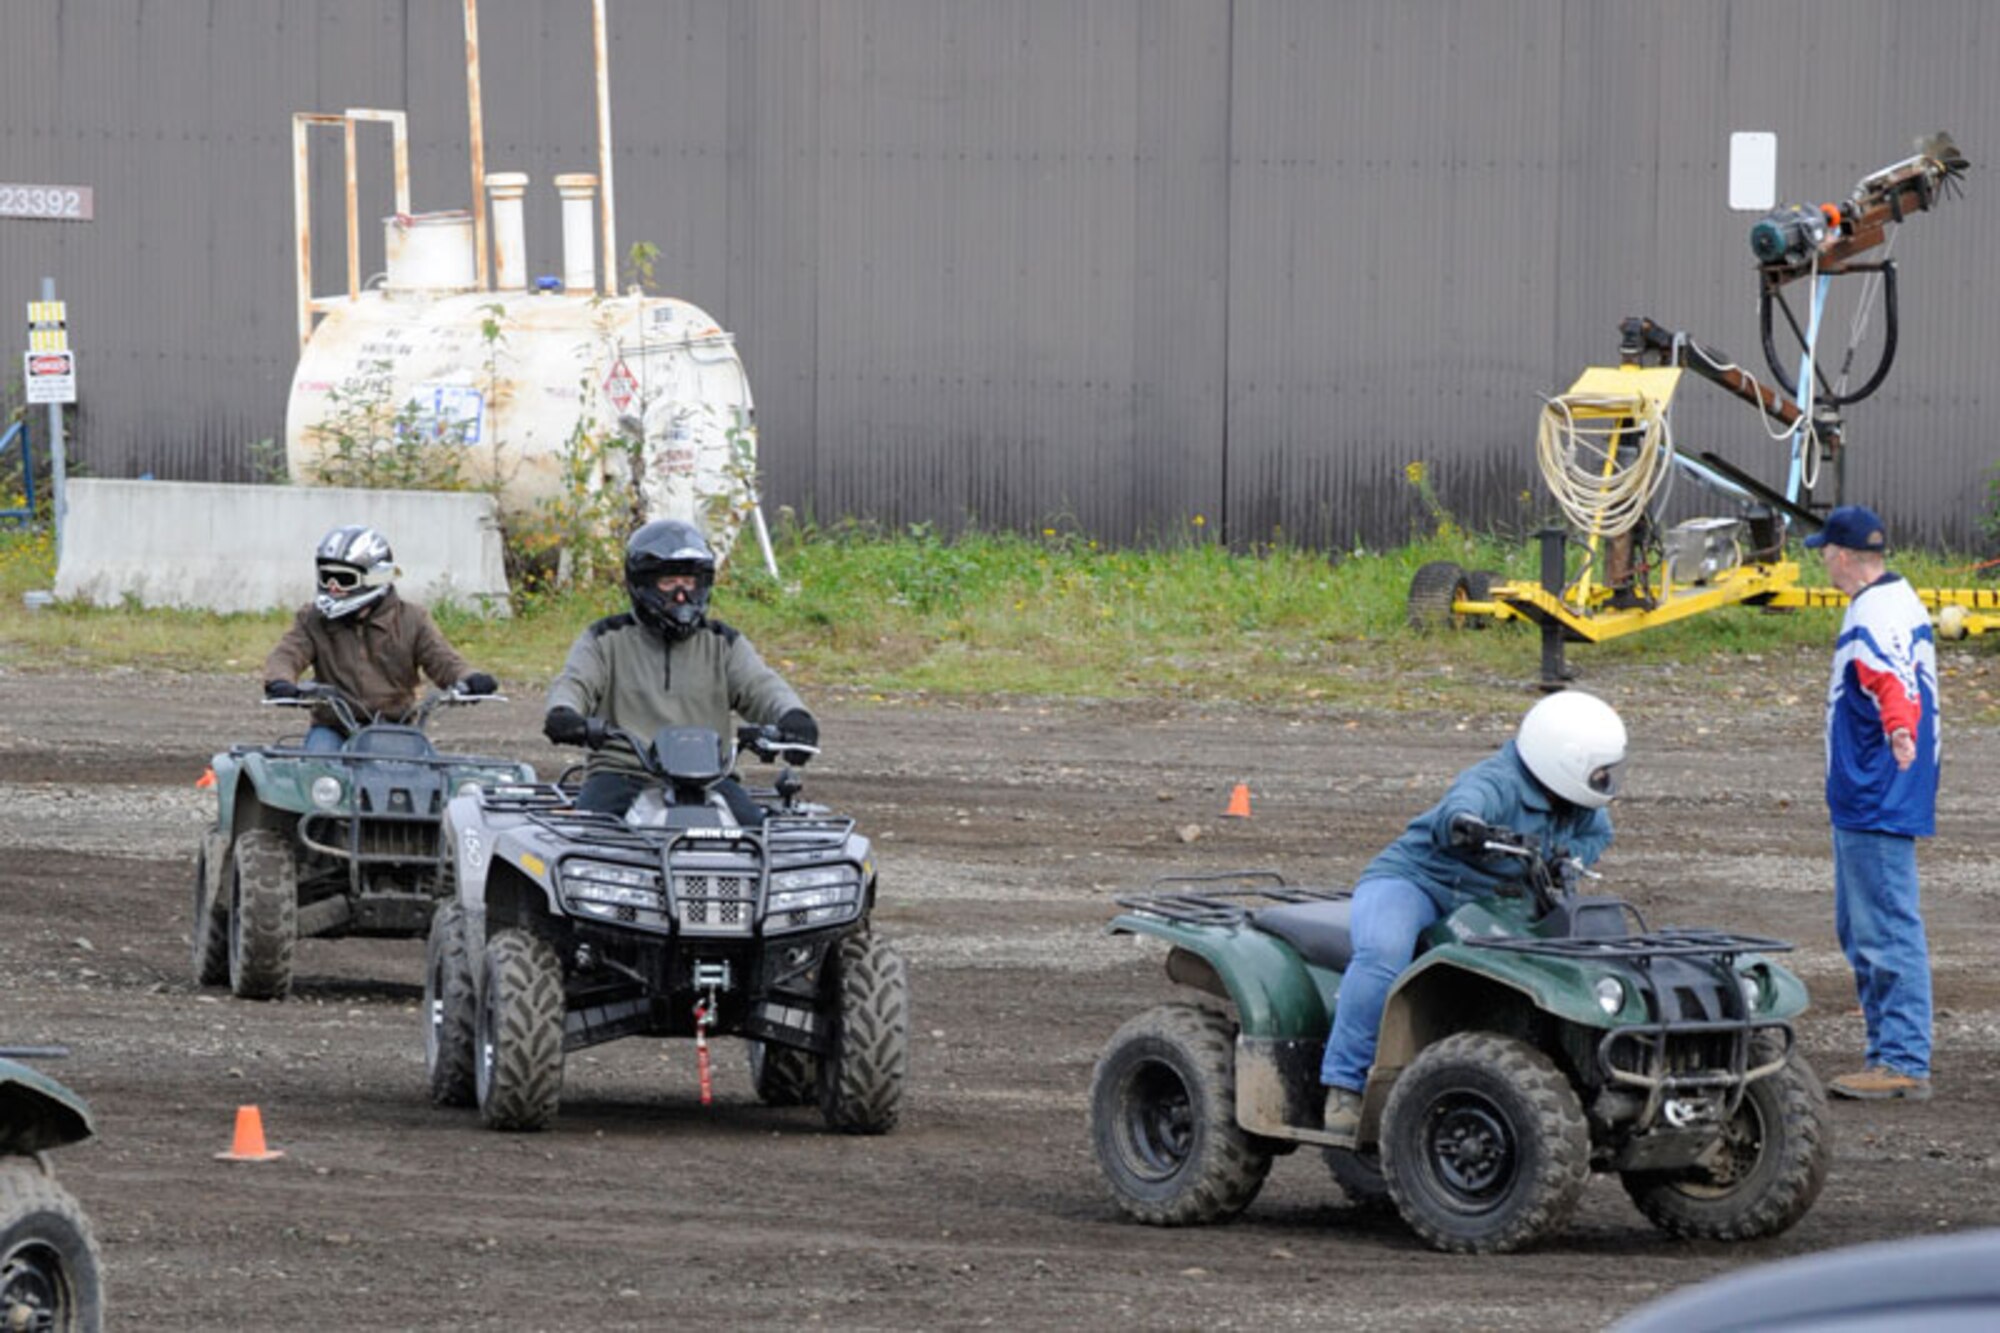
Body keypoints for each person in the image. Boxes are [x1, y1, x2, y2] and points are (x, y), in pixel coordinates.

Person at [1319, 690, 1625, 1144]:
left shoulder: (1580, 805)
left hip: (1495, 898)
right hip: (1418, 882)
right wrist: (1465, 823)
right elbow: (1462, 803)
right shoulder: (1498, 781)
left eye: (1607, 771)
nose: (1604, 780)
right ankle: (1344, 1087)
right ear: (1565, 760)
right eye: (1597, 771)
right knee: (1384, 954)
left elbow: (1598, 836)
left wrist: (1565, 857)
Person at [543, 518, 817, 820]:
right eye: (669, 583)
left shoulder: (723, 643)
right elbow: (575, 682)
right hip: (622, 774)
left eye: (689, 583)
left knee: (759, 839)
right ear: (642, 584)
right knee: (588, 843)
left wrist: (794, 717)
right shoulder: (605, 638)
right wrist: (564, 714)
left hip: (709, 780)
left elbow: (762, 686)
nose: (681, 595)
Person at [1806, 504, 1939, 1101]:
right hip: (1876, 789)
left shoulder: (1872, 616)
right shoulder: (1895, 599)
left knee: (1884, 926)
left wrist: (1899, 730)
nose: (1824, 565)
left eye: (1825, 555)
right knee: (1863, 926)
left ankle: (1902, 1060)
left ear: (1841, 556)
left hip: (1876, 791)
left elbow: (1892, 683)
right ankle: (1889, 1051)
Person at [263, 525, 497, 752]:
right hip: (333, 727)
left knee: (430, 780)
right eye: (327, 577)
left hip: (396, 727)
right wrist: (280, 682)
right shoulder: (313, 619)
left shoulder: (412, 619)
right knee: (315, 768)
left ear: (375, 578)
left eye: (343, 579)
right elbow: (287, 654)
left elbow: (443, 659)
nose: (333, 588)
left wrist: (470, 678)